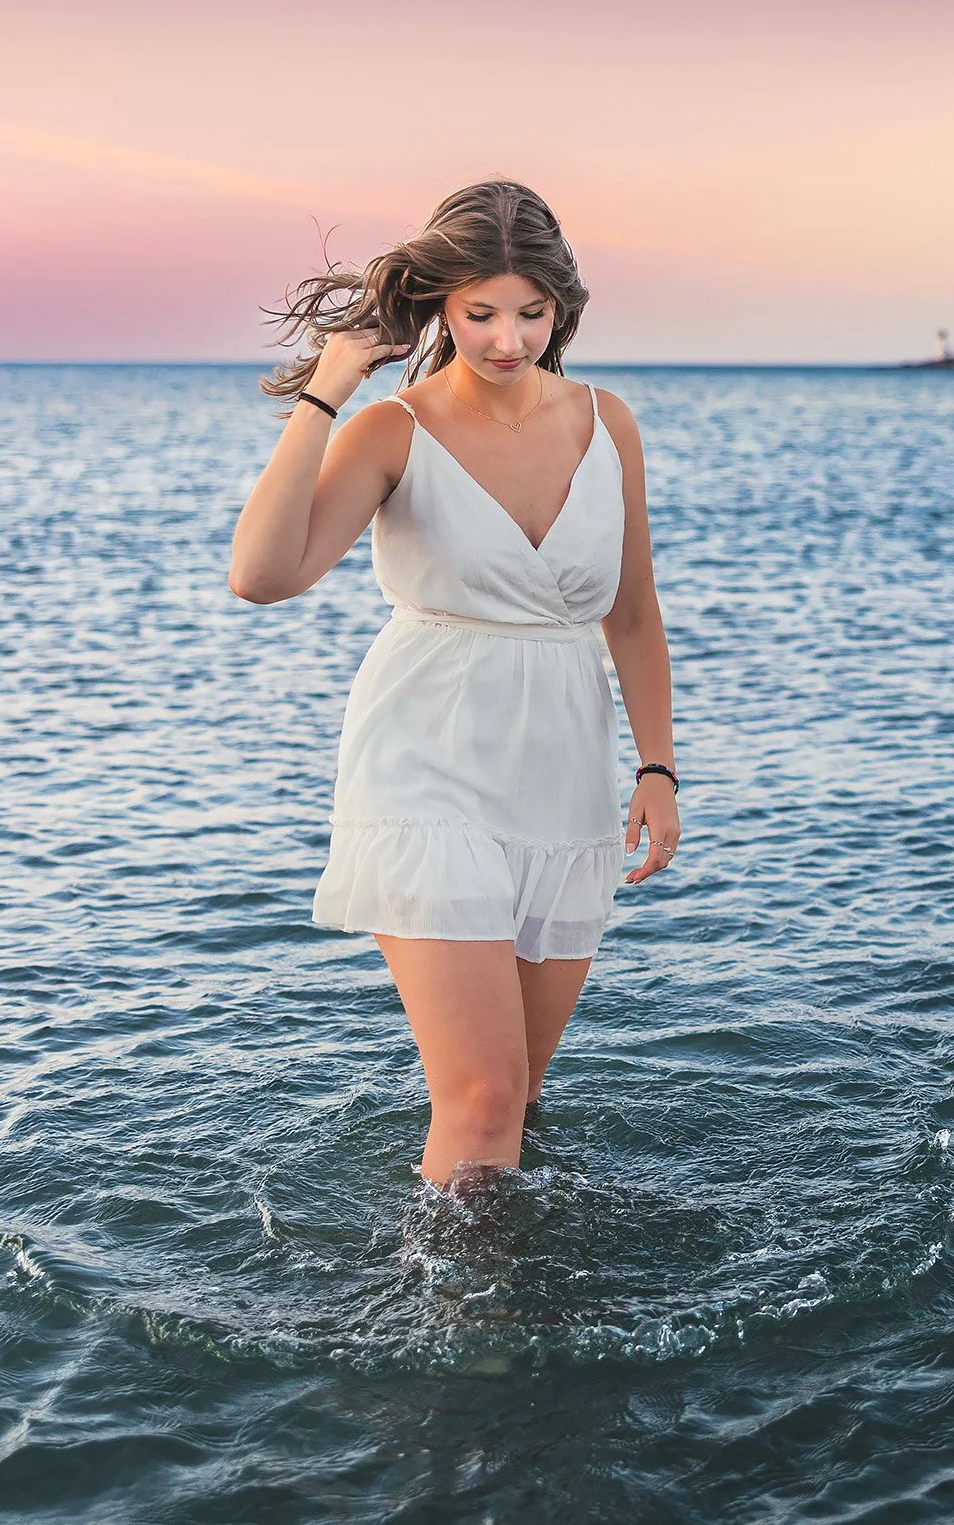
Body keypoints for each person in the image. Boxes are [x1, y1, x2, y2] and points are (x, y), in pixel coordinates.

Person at [226, 180, 679, 1190]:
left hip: (560, 766)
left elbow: (634, 611)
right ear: (440, 307)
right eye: (479, 313)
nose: (508, 339)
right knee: (476, 1097)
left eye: (531, 312)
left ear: (564, 307)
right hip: (423, 761)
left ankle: (512, 1297)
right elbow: (261, 576)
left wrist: (658, 765)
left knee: (518, 1094)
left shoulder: (610, 425)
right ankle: (450, 1326)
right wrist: (324, 392)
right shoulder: (394, 431)